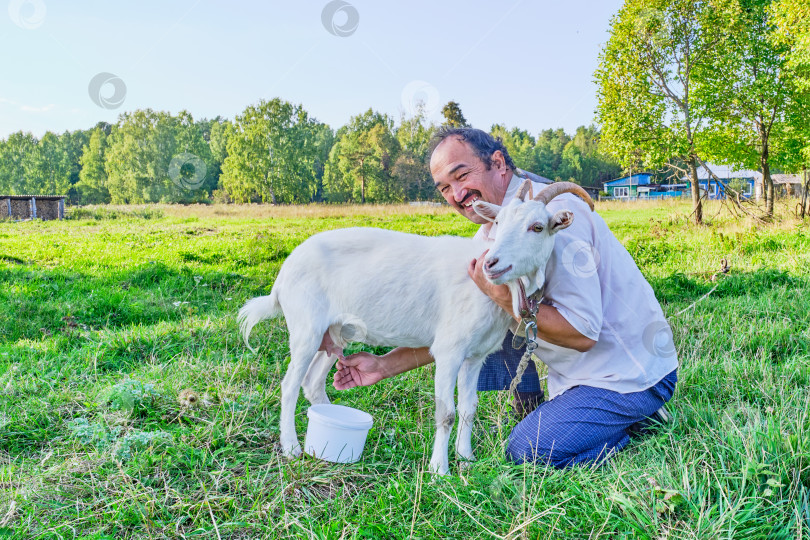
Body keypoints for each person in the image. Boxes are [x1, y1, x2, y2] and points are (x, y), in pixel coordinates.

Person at [332, 127, 678, 468]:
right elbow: (458, 331)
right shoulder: (491, 233)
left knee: (528, 451)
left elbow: (584, 334)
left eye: (462, 174)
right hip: (574, 379)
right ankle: (543, 410)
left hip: (626, 375)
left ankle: (634, 421)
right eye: (444, 188)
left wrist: (501, 297)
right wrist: (384, 365)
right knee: (485, 308)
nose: (456, 193)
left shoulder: (555, 218)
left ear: (498, 163)